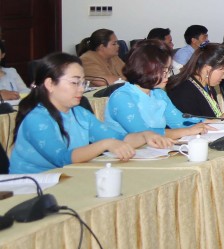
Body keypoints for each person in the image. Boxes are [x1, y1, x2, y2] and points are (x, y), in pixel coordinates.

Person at [9, 53, 168, 173]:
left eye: (83, 83)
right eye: (74, 83)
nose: (81, 89)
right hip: (32, 189)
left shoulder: (79, 113)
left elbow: (119, 138)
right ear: (50, 84)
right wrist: (105, 144)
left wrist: (145, 136)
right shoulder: (37, 118)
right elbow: (62, 159)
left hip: (68, 179)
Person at [105, 40, 208, 139]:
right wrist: (187, 131)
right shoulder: (122, 97)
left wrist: (208, 122)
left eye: (169, 70)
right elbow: (142, 134)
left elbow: (179, 121)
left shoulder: (158, 93)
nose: (168, 75)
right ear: (146, 69)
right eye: (163, 71)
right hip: (126, 150)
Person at [166, 44, 224, 121]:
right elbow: (192, 126)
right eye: (223, 71)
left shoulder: (207, 85)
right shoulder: (183, 92)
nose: (223, 77)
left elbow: (212, 117)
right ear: (207, 69)